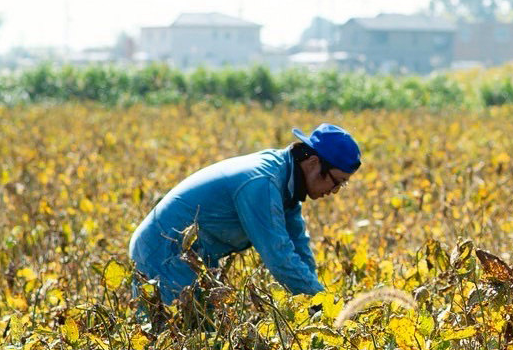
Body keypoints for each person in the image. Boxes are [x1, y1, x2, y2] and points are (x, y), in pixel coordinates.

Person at [129, 123, 362, 306]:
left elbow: (298, 247)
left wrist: (320, 300)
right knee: (176, 339)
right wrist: (323, 305)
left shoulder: (288, 186)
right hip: (164, 251)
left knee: (203, 337)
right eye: (337, 182)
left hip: (193, 258)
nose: (334, 191)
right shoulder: (263, 183)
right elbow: (279, 257)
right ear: (313, 162)